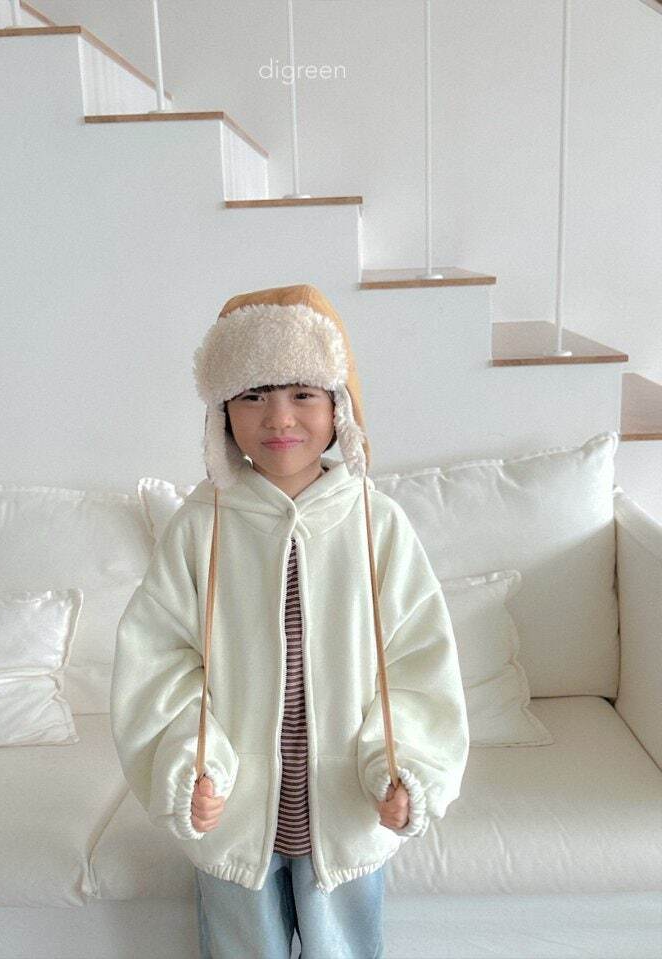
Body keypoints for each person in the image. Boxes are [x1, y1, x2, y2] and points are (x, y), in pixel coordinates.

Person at [110, 284, 470, 959]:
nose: (279, 416)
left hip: (350, 804)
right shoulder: (201, 526)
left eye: (303, 393)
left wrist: (403, 766)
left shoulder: (377, 524)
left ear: (340, 407)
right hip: (231, 810)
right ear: (222, 411)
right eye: (252, 395)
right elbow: (159, 658)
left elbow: (416, 660)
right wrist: (193, 764)